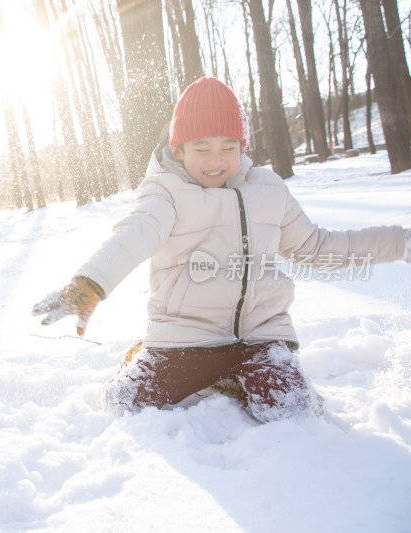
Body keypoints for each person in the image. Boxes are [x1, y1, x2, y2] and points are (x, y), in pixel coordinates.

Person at [32, 76, 411, 423]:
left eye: (228, 147)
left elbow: (318, 247)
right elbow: (137, 232)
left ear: (242, 146)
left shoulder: (269, 189)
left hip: (261, 340)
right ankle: (148, 355)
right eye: (202, 148)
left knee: (298, 413)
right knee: (125, 405)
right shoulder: (164, 191)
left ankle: (236, 375)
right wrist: (91, 284)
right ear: (179, 149)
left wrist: (400, 243)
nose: (216, 161)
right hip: (185, 339)